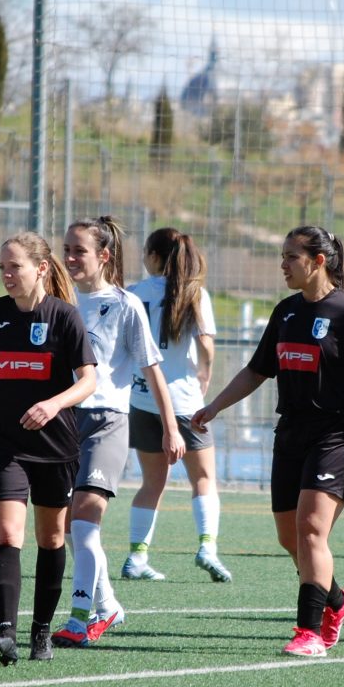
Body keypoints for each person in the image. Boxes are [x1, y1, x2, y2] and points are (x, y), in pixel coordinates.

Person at [193, 225, 344, 658]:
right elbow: (257, 370)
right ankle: (339, 600)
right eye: (282, 256)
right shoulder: (286, 312)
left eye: (290, 257)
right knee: (290, 539)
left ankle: (309, 632)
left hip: (336, 436)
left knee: (311, 529)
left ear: (318, 261)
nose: (282, 264)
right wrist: (215, 406)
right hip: (291, 433)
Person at [50, 217, 185, 648]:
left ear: (104, 256)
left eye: (79, 250)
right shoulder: (58, 300)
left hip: (106, 422)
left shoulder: (126, 305)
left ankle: (77, 620)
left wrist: (171, 428)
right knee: (67, 528)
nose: (70, 258)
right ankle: (107, 604)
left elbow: (152, 369)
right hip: (62, 422)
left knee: (85, 520)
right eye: (66, 249)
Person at [0, 231, 97, 665]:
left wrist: (53, 404)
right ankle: (6, 634)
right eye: (2, 267)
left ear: (41, 268)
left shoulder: (65, 316)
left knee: (51, 538)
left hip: (55, 446)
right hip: (5, 443)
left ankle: (41, 631)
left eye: (15, 266)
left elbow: (89, 380)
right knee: (8, 534)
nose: (7, 274)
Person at [123, 227, 232, 583]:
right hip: (184, 401)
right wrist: (205, 375)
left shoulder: (134, 293)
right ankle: (207, 547)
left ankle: (137, 557)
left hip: (142, 399)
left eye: (145, 252)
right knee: (203, 478)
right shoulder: (194, 292)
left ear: (155, 256)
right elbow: (206, 346)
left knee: (152, 481)